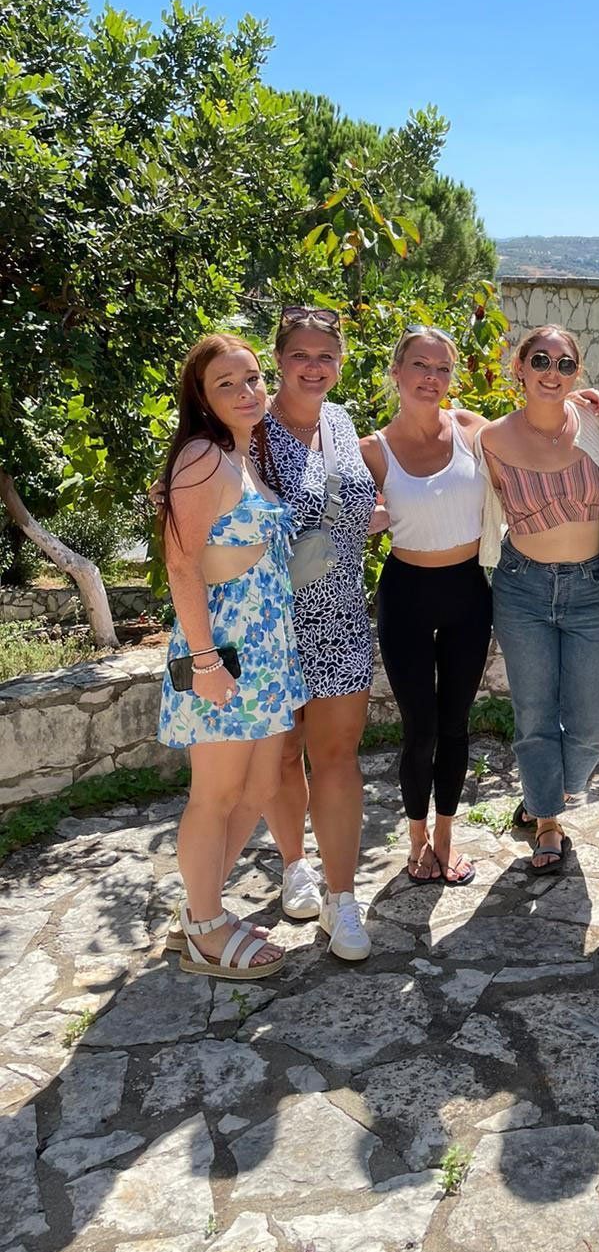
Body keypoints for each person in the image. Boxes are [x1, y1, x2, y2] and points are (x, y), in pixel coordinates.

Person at [157, 334, 307, 979]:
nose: (247, 392)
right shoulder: (202, 458)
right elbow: (181, 562)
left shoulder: (247, 458)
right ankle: (206, 930)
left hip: (268, 653)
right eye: (227, 383)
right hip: (225, 653)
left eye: (252, 379)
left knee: (259, 787)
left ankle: (199, 911)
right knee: (214, 797)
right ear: (201, 396)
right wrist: (206, 660)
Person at [249, 305, 379, 961]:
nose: (314, 366)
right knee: (279, 754)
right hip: (273, 624)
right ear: (278, 358)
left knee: (338, 758)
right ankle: (294, 863)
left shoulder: (341, 420)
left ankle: (342, 899)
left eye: (326, 355)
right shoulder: (249, 433)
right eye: (301, 354)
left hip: (342, 617)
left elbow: (345, 504)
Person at [477, 327, 599, 873]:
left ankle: (546, 793)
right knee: (534, 714)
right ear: (519, 366)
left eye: (565, 365)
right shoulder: (490, 439)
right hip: (523, 588)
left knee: (594, 723)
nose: (552, 372)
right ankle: (546, 822)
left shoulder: (597, 426)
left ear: (577, 374)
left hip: (594, 588)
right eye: (540, 360)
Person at [360, 325, 490, 888]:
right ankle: (416, 843)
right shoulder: (373, 449)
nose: (431, 378)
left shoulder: (471, 429)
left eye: (442, 368)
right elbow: (331, 509)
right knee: (421, 727)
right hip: (406, 594)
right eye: (420, 365)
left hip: (467, 594)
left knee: (455, 724)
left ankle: (445, 838)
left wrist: (582, 409)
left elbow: (540, 434)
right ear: (396, 372)